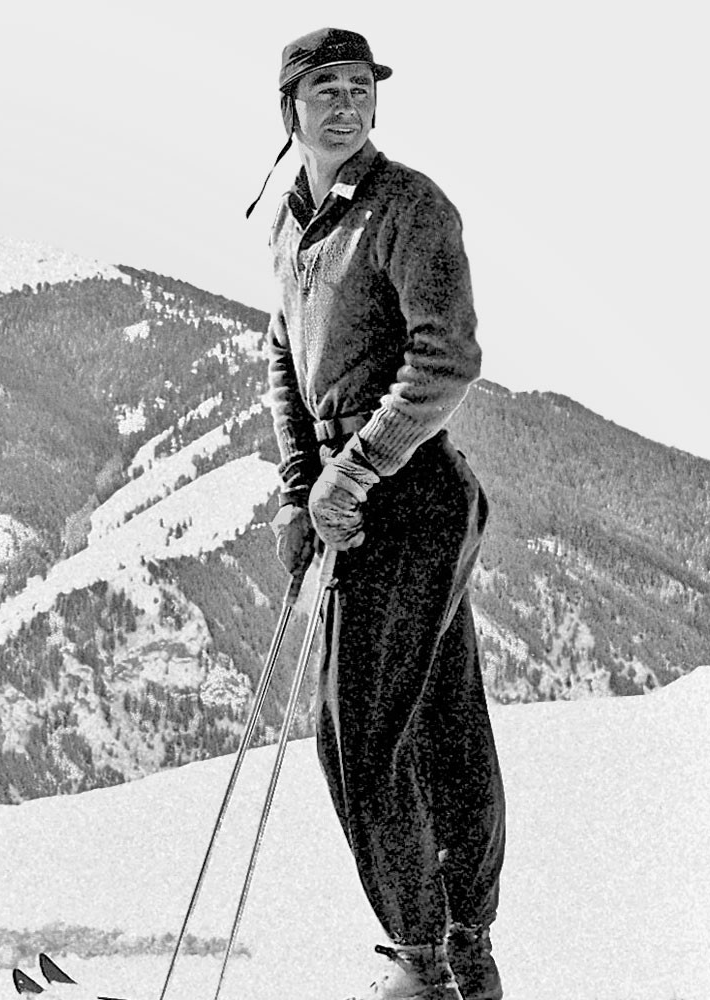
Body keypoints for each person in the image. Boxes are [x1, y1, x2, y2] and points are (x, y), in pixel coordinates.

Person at [261, 28, 505, 1000]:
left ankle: (425, 959)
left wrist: (348, 473)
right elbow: (281, 358)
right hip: (353, 500)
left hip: (410, 493)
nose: (345, 104)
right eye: (324, 88)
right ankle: (462, 954)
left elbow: (445, 357)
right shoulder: (289, 224)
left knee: (352, 736)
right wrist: (296, 491)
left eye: (358, 87)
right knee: (435, 723)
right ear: (289, 109)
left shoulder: (407, 206)